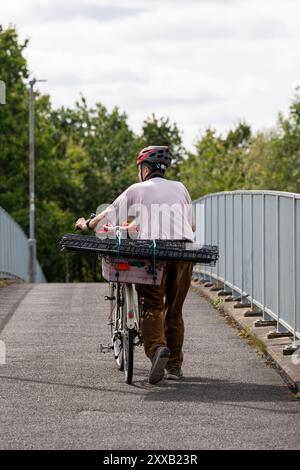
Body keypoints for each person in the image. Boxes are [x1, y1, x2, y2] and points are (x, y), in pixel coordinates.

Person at [76, 146, 195, 384]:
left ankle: (158, 350)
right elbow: (191, 227)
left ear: (146, 169)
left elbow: (107, 217)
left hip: (155, 253)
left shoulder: (136, 190)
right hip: (184, 253)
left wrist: (87, 224)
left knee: (152, 304)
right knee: (174, 310)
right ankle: (174, 366)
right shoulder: (180, 188)